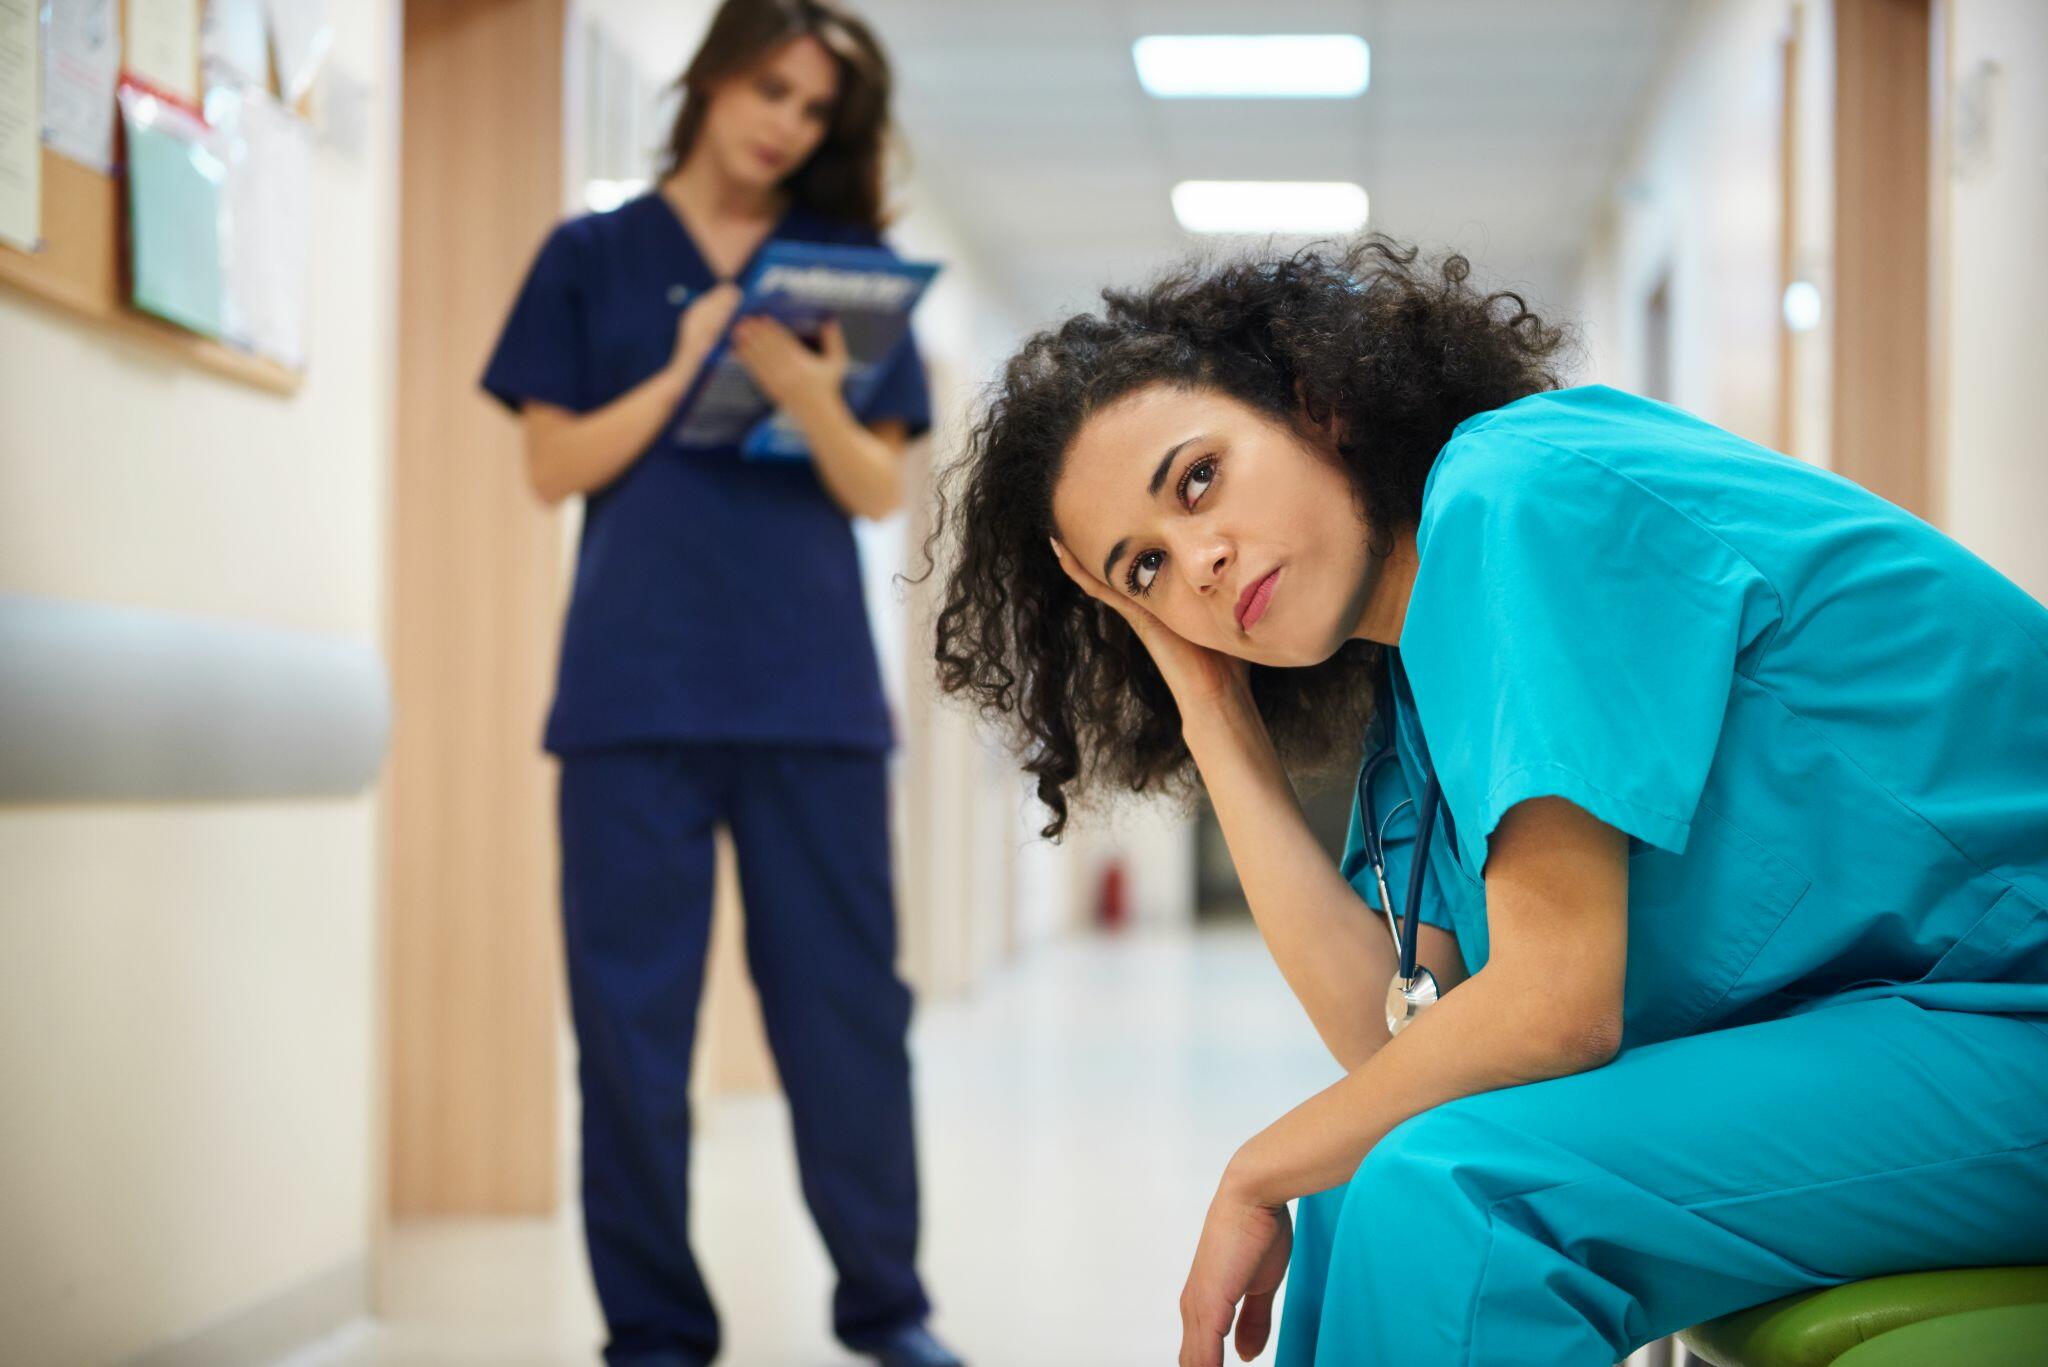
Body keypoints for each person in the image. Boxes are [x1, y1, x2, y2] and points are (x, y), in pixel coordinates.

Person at [927, 236, 2048, 1366]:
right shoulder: (1418, 689)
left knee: (1455, 1199)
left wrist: (1254, 1164)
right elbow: (1392, 1037)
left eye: (1199, 479)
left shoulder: (1513, 494)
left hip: (2013, 1012)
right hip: (1917, 1030)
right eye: (1144, 569)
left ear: (1316, 406)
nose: (1198, 563)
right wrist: (1209, 704)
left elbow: (1555, 1004)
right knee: (1363, 1181)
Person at [480, 3, 961, 1365]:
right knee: (630, 1029)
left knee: (849, 1013)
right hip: (632, 695)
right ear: (709, 78)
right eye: (769, 89)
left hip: (811, 696)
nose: (784, 126)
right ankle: (653, 1328)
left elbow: (876, 486)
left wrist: (800, 389)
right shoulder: (590, 259)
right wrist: (693, 363)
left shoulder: (849, 276)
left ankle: (888, 1304)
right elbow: (553, 466)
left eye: (814, 111)